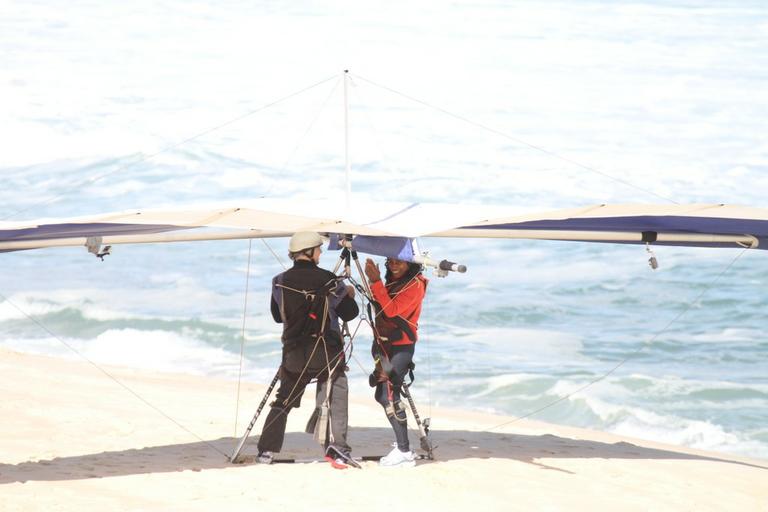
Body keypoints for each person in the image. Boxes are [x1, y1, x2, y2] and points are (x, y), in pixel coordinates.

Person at [256, 231, 359, 467]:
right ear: (310, 252)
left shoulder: (278, 280)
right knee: (336, 392)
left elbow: (276, 316)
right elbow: (350, 314)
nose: (321, 253)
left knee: (283, 400)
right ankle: (338, 448)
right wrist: (349, 295)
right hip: (326, 353)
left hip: (294, 354)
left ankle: (266, 452)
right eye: (319, 249)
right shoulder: (331, 280)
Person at [364, 256, 428, 468]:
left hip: (401, 347)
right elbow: (381, 305)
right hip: (383, 344)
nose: (394, 265)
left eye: (399, 262)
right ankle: (402, 446)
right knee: (381, 394)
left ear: (410, 263)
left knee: (389, 395)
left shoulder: (415, 284)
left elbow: (391, 310)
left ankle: (404, 451)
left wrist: (375, 282)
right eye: (390, 261)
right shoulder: (392, 281)